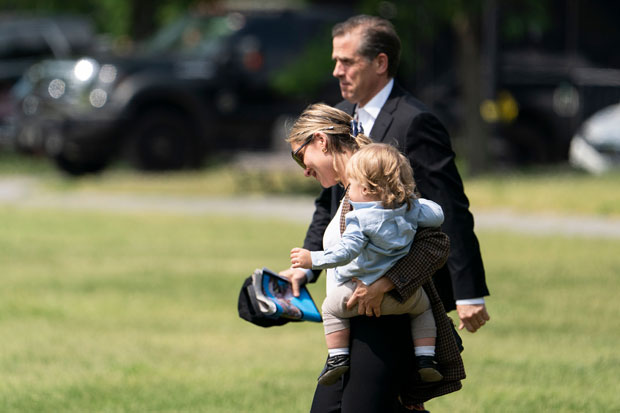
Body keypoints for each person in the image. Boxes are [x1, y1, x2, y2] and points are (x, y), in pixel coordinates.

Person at [279, 14, 490, 412]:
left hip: (393, 309)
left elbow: (444, 221)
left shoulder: (413, 124)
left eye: (347, 61)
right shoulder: (344, 127)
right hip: (354, 312)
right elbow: (326, 215)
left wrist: (461, 291)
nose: (337, 70)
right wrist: (306, 268)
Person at [283, 103, 464, 412]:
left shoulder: (374, 180)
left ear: (321, 141)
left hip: (383, 324)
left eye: (300, 155)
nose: (304, 168)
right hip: (357, 327)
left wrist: (385, 284)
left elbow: (435, 243)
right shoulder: (350, 187)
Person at [290, 143, 445, 386]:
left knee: (330, 308)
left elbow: (344, 252)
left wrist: (313, 259)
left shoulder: (359, 220)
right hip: (404, 296)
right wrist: (413, 201)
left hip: (356, 295)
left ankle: (337, 357)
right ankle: (425, 358)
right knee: (423, 311)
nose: (348, 191)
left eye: (350, 185)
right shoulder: (410, 209)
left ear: (365, 187)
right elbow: (437, 215)